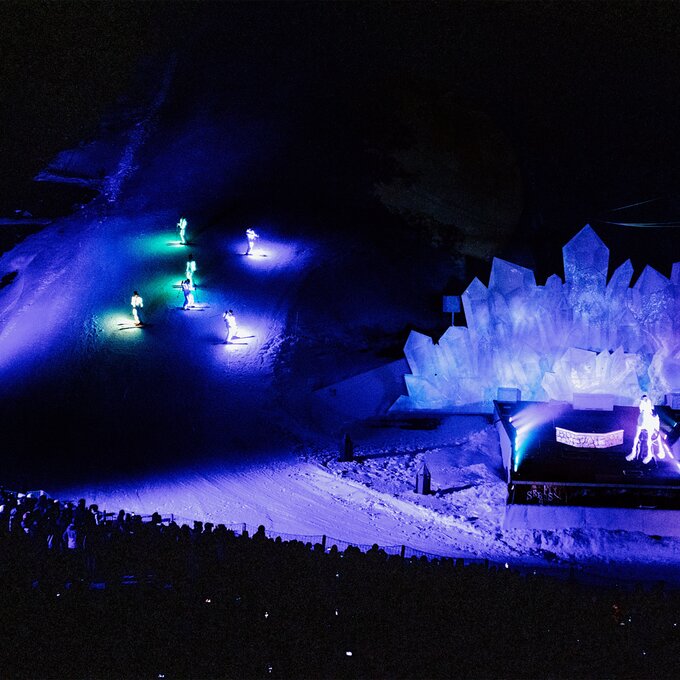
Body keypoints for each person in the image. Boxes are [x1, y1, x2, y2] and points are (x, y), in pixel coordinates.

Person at [627, 395, 660, 464]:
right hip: (642, 419)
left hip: (649, 420)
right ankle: (633, 453)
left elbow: (649, 408)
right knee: (636, 436)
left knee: (649, 439)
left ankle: (650, 454)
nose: (644, 399)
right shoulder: (642, 403)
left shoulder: (648, 402)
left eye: (645, 399)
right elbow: (641, 408)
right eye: (643, 399)